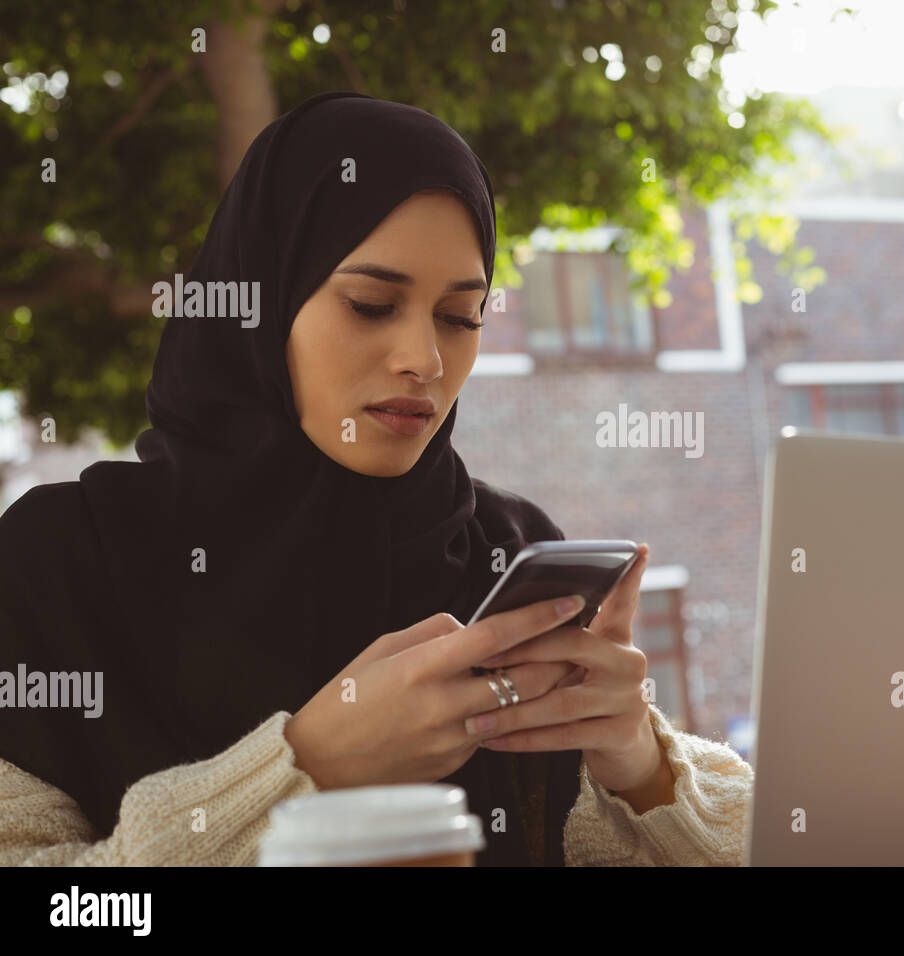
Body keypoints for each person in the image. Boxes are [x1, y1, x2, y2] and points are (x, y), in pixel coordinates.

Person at [0, 91, 751, 866]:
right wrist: (308, 773)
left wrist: (638, 771)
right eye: (371, 304)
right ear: (262, 301)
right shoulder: (57, 563)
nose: (424, 360)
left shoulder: (506, 548)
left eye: (460, 317)